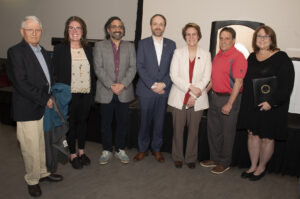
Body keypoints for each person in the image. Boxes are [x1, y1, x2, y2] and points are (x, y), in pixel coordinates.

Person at [6, 16, 63, 197]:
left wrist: (53, 94)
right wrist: (44, 98)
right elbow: (20, 83)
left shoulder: (44, 51)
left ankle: (43, 173)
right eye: (30, 30)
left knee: (42, 144)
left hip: (44, 107)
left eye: (37, 30)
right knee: (30, 147)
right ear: (22, 32)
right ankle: (32, 180)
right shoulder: (15, 52)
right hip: (28, 107)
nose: (34, 33)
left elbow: (49, 76)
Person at [239, 25, 294, 181]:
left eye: (265, 37)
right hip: (253, 105)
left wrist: (271, 102)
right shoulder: (251, 56)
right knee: (252, 135)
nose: (262, 40)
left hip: (271, 107)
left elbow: (286, 84)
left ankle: (262, 167)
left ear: (272, 39)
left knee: (267, 137)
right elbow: (246, 80)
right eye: (259, 37)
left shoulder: (281, 57)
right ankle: (253, 165)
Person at [200, 27, 247, 174]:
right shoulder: (218, 56)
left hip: (229, 99)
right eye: (221, 38)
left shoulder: (238, 57)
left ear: (233, 40)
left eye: (227, 38)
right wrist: (202, 93)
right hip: (215, 98)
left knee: (227, 133)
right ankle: (214, 158)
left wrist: (230, 104)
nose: (223, 41)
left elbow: (238, 82)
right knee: (214, 131)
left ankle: (225, 162)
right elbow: (213, 80)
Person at [53, 16, 96, 169]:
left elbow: (92, 73)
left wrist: (92, 94)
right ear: (67, 31)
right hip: (68, 94)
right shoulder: (59, 49)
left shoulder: (88, 49)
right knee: (71, 124)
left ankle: (81, 152)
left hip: (85, 93)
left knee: (83, 122)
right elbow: (55, 74)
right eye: (71, 28)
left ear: (83, 31)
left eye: (78, 28)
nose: (75, 31)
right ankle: (72, 154)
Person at [168, 23, 211, 169]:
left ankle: (191, 157)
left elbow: (206, 78)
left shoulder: (206, 54)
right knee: (177, 130)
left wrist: (194, 94)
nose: (191, 37)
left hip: (198, 98)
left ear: (198, 36)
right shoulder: (178, 53)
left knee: (194, 131)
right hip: (179, 96)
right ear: (184, 36)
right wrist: (189, 88)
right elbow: (174, 75)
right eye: (188, 34)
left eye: (194, 34)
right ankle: (178, 157)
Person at [94, 16, 136, 164]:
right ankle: (106, 150)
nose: (117, 29)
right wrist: (111, 85)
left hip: (124, 91)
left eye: (120, 26)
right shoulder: (99, 46)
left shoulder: (130, 46)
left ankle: (120, 149)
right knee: (105, 123)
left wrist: (122, 84)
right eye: (114, 26)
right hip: (106, 91)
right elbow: (98, 68)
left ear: (123, 30)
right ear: (108, 29)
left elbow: (133, 68)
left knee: (122, 122)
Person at [134, 14, 176, 163]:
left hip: (163, 91)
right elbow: (140, 66)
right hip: (146, 91)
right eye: (155, 24)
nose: (158, 26)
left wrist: (163, 84)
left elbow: (173, 68)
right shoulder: (143, 43)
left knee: (159, 122)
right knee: (144, 122)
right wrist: (153, 85)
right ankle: (142, 149)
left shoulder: (171, 44)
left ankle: (156, 149)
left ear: (164, 26)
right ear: (151, 26)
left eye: (161, 24)